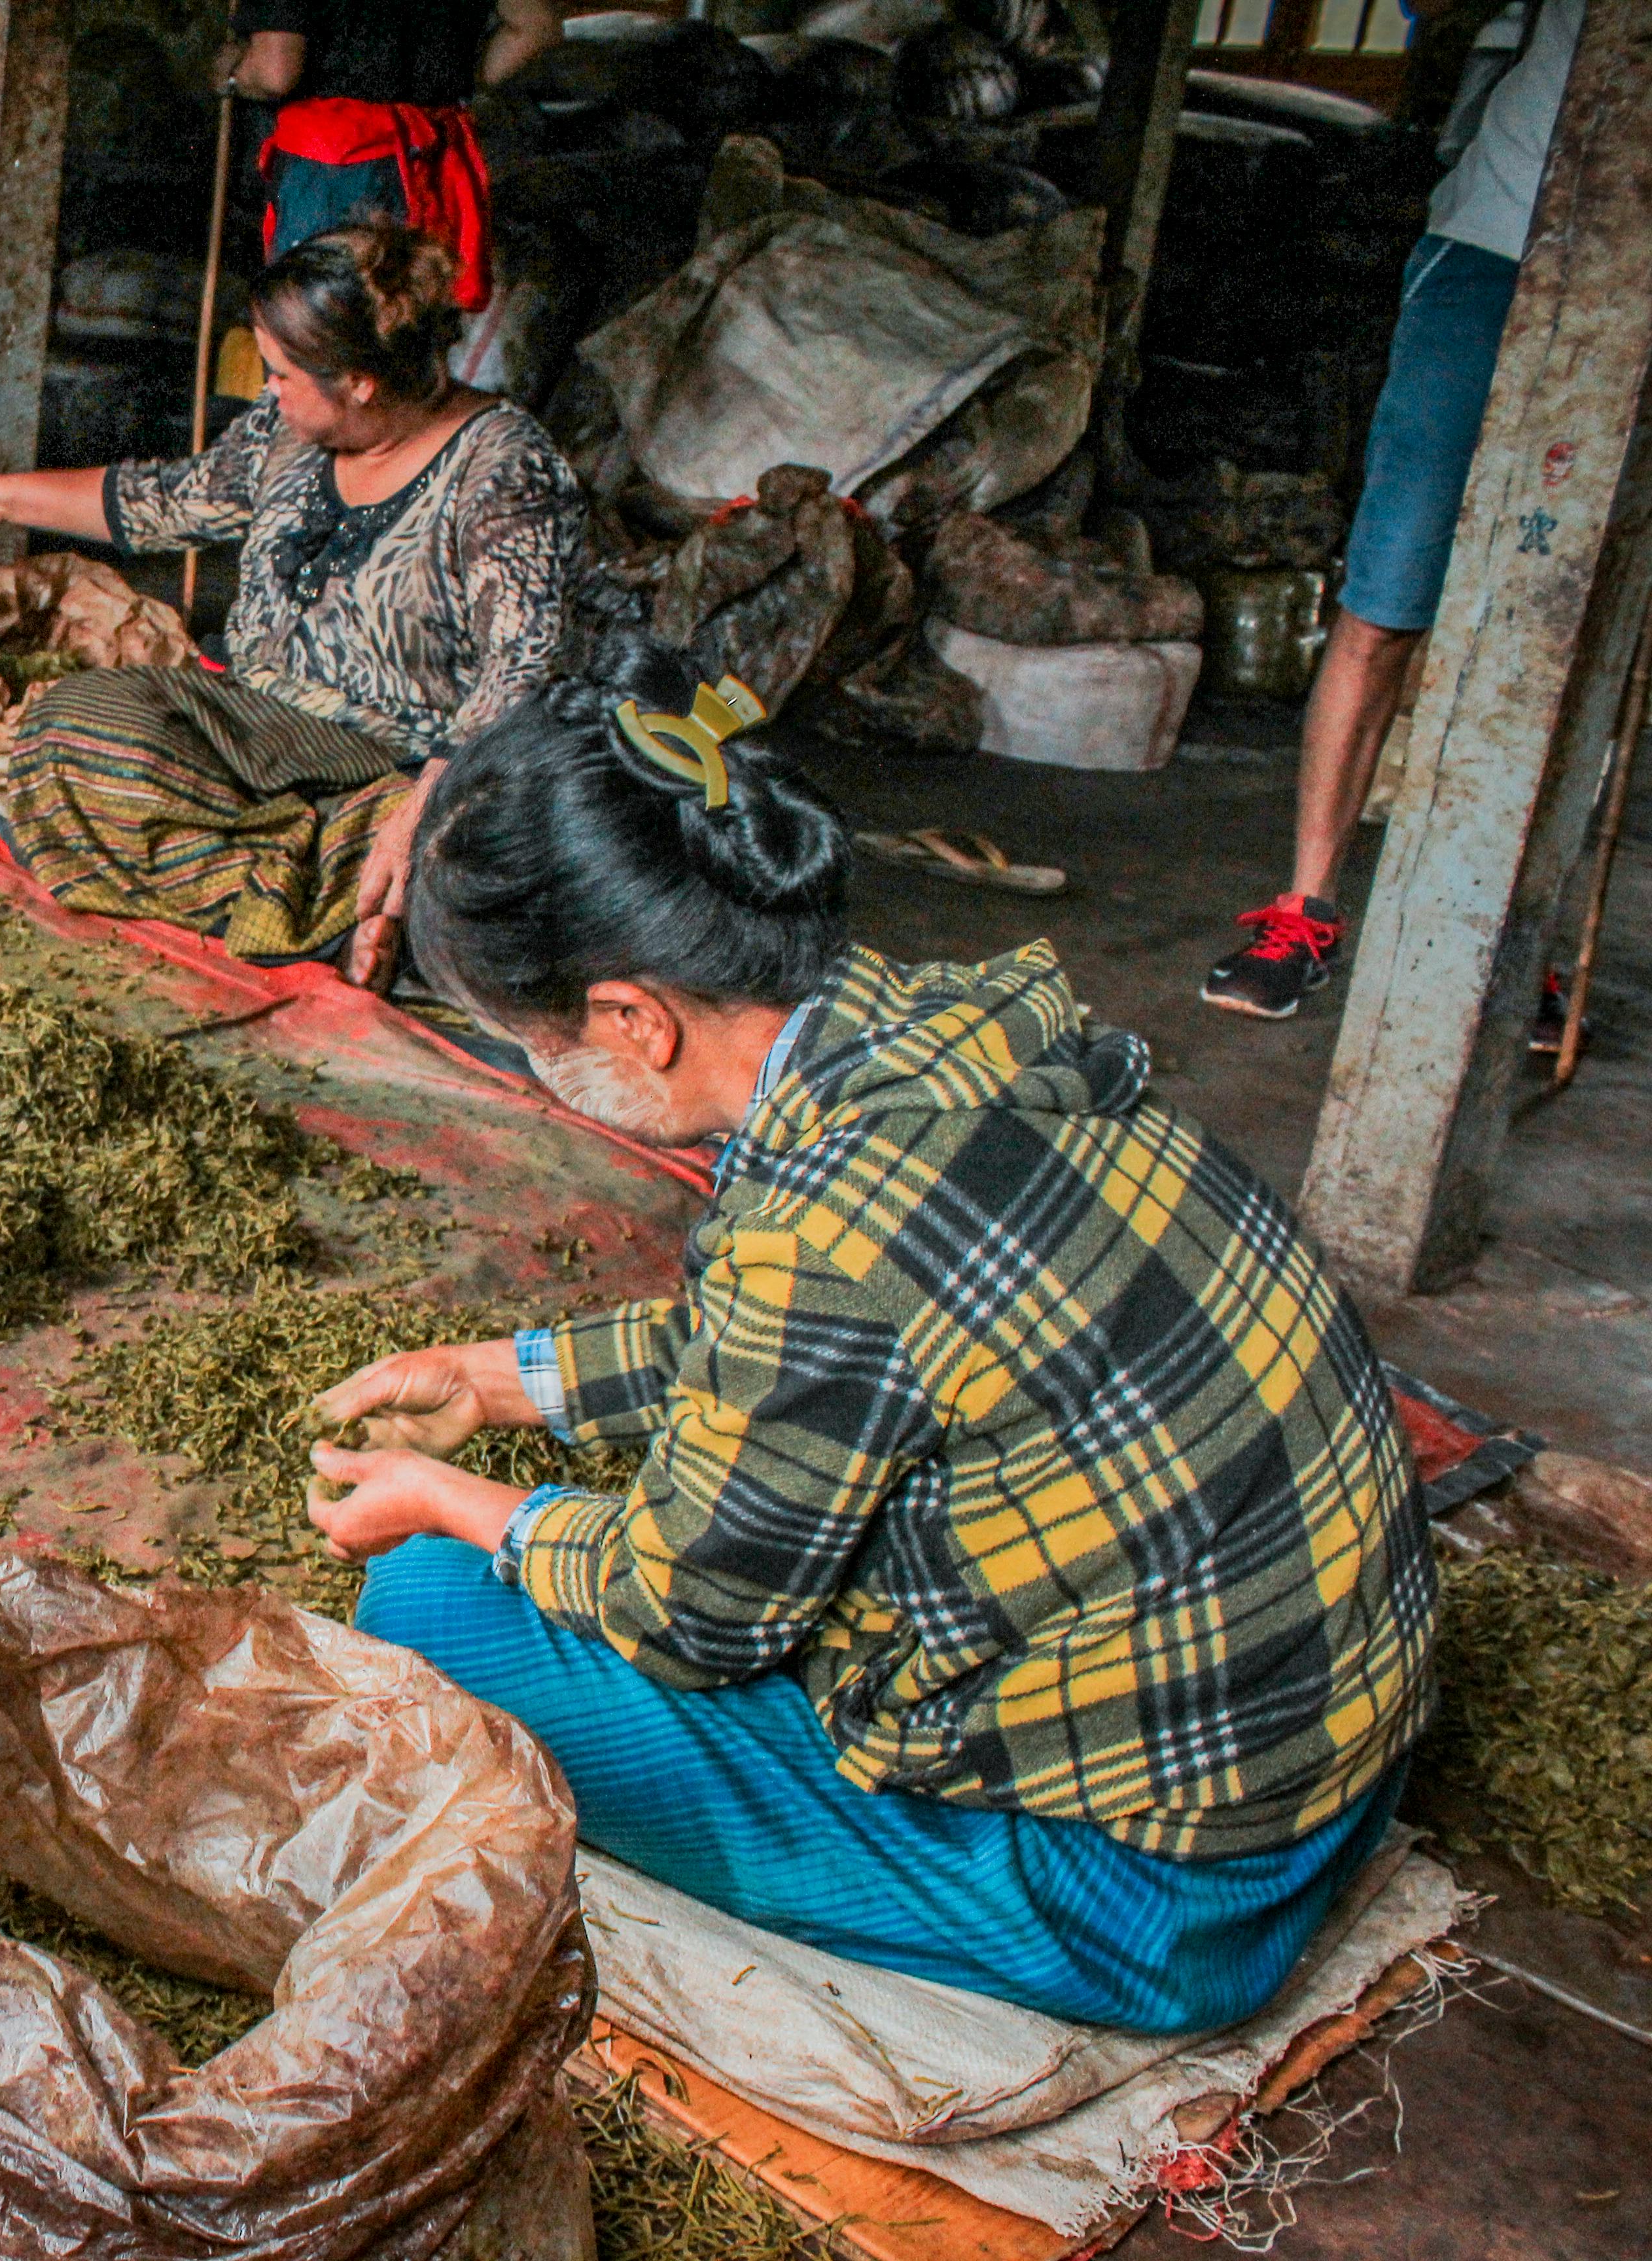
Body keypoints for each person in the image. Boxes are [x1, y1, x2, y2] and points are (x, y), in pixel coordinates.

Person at [304, 637, 1435, 2032]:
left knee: (426, 1606)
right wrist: (494, 1382)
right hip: (1325, 1754)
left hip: (1162, 1899)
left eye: (538, 1045)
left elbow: (693, 1612)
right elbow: (813, 1347)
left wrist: (459, 1502)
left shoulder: (816, 1234)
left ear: (629, 1020)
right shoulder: (944, 1030)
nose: (555, 1078)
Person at [0, 221, 584, 988]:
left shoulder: (505, 467)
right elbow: (163, 502)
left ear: (358, 381)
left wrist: (421, 806)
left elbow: (523, 667)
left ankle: (328, 904)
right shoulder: (286, 431)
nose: (268, 390)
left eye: (283, 374)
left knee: (472, 856)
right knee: (70, 729)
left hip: (396, 765)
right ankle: (318, 907)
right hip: (254, 721)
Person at [1202, 0, 1582, 1021]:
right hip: (1489, 248)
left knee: (1550, 640)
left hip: (1622, 280)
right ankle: (1306, 913)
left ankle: (1502, 938)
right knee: (1387, 597)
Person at [228, 0, 560, 290]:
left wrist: (230, 76)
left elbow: (276, 71)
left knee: (321, 337)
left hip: (332, 170)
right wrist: (453, 78)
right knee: (413, 333)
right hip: (431, 157)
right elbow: (536, 28)